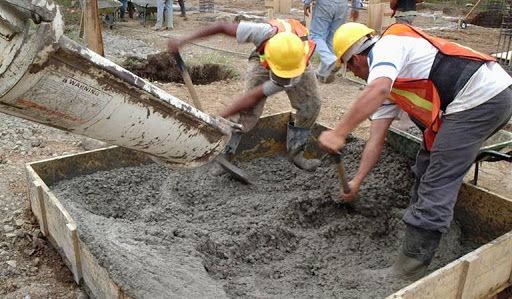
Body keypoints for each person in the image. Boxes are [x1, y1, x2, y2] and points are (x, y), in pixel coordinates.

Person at [319, 22, 512, 280]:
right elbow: (375, 140)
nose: (352, 74)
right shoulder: (389, 82)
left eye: (349, 67)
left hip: (482, 99)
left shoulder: (389, 45)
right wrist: (356, 181)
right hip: (466, 104)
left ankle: (410, 267)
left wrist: (339, 132)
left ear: (355, 59)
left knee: (438, 179)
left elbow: (376, 90)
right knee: (425, 163)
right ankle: (418, 226)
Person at [167, 19, 322, 174]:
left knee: (311, 105)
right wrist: (184, 40)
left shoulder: (300, 51)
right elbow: (221, 26)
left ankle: (296, 152)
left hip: (297, 64)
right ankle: (225, 154)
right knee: (248, 111)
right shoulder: (261, 32)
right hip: (265, 61)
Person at [303, 0, 360, 83]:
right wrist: (356, 6)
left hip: (325, 4)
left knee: (316, 36)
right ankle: (323, 73)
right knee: (333, 37)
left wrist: (307, 2)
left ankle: (330, 60)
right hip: (342, 5)